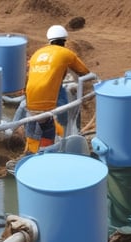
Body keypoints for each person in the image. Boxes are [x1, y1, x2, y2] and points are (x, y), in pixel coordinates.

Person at [23, 24, 90, 154]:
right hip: (47, 103)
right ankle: (51, 150)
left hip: (30, 98)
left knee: (35, 126)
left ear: (49, 40)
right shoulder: (66, 53)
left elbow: (32, 71)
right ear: (64, 41)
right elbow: (85, 72)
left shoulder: (37, 53)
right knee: (50, 127)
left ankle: (31, 152)